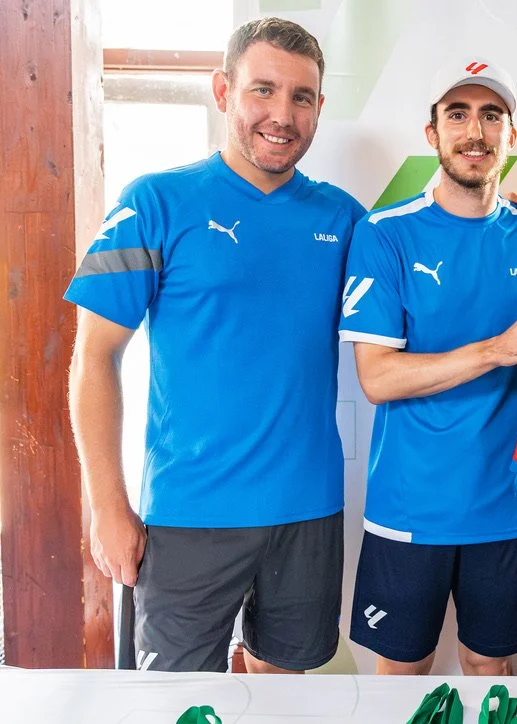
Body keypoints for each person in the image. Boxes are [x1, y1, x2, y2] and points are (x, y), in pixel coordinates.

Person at [65, 18, 366, 673]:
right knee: (174, 701)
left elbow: (426, 278)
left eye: (301, 97)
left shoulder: (345, 219)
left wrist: (510, 212)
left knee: (283, 694)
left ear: (319, 107)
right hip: (187, 513)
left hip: (308, 510)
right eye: (263, 90)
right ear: (223, 90)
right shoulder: (155, 202)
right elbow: (94, 357)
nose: (282, 114)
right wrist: (107, 505)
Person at [338, 59, 517, 676]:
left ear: (510, 135)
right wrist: (496, 349)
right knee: (402, 676)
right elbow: (378, 377)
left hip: (509, 505)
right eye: (457, 115)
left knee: (489, 670)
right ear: (432, 133)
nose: (475, 131)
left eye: (491, 116)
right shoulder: (385, 234)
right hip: (409, 507)